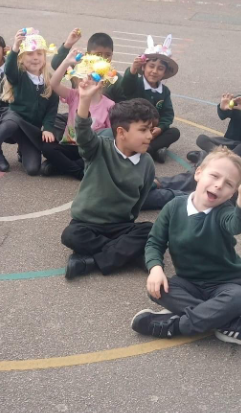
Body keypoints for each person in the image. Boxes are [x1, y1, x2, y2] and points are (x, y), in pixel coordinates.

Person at [132, 147, 241, 344]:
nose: (219, 185)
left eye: (229, 184)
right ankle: (225, 322)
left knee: (239, 298)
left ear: (232, 193)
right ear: (198, 173)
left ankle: (177, 325)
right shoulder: (174, 207)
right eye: (214, 176)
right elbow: (155, 242)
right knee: (157, 289)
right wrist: (155, 269)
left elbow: (240, 224)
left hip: (225, 284)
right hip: (188, 283)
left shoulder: (223, 212)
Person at [61, 79, 156, 279]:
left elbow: (139, 202)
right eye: (143, 130)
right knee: (70, 235)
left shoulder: (147, 163)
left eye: (151, 129)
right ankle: (128, 255)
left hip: (121, 225)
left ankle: (90, 262)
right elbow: (83, 133)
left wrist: (128, 224)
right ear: (121, 132)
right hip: (87, 223)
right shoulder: (98, 148)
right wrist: (84, 101)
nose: (149, 135)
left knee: (152, 231)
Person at [0, 27, 59, 175]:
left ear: (44, 57)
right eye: (30, 53)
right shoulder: (19, 75)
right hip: (14, 122)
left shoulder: (50, 81)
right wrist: (15, 47)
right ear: (21, 58)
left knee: (33, 169)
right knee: (10, 122)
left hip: (30, 130)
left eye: (39, 53)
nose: (35, 57)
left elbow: (52, 109)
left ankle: (22, 149)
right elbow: (9, 69)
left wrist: (48, 128)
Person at [42, 48, 117, 179]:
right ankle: (78, 171)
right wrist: (66, 61)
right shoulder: (74, 95)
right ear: (77, 80)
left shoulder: (109, 105)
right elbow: (53, 84)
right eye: (84, 77)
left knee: (100, 158)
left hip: (90, 150)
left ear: (102, 80)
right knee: (47, 148)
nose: (87, 81)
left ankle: (60, 166)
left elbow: (110, 137)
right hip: (70, 145)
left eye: (93, 77)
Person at [107, 34, 180, 163]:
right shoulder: (136, 83)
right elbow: (126, 86)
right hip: (135, 128)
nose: (155, 71)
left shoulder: (164, 91)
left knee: (174, 132)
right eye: (151, 66)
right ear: (143, 67)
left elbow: (168, 114)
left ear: (165, 72)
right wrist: (133, 69)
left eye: (160, 68)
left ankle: (148, 149)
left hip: (152, 131)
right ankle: (153, 150)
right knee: (125, 133)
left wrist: (161, 128)